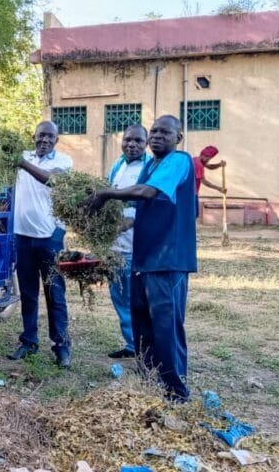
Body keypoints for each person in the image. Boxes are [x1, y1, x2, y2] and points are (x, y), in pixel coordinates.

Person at [85, 115, 197, 402]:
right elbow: (138, 206)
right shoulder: (151, 165)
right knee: (142, 323)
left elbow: (146, 193)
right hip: (143, 257)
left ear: (178, 138)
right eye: (155, 131)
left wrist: (107, 194)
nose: (158, 136)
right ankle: (149, 382)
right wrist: (103, 225)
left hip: (168, 258)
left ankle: (175, 392)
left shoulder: (180, 160)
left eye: (165, 132)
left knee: (166, 325)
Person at [7, 120, 73, 369]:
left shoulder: (64, 162)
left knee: (55, 293)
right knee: (28, 293)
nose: (44, 140)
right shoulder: (22, 155)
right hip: (21, 236)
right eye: (40, 136)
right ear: (33, 136)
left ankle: (62, 347)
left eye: (49, 137)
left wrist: (22, 164)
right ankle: (29, 341)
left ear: (56, 140)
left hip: (50, 237)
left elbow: (52, 181)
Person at [106, 125, 150, 359]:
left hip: (134, 246)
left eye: (137, 141)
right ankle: (132, 344)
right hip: (113, 245)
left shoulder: (149, 167)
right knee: (119, 296)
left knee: (135, 299)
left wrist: (123, 224)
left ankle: (143, 345)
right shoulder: (118, 165)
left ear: (146, 144)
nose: (131, 144)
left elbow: (143, 205)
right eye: (127, 140)